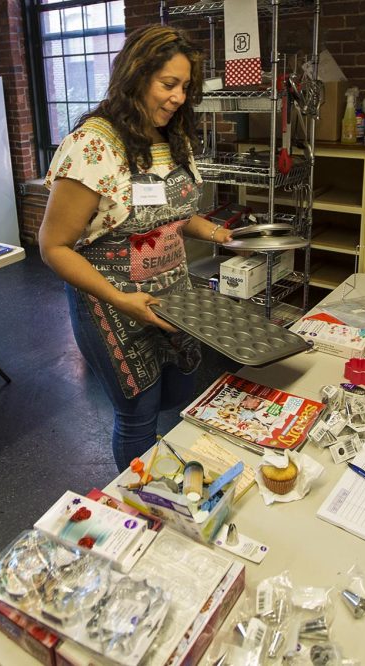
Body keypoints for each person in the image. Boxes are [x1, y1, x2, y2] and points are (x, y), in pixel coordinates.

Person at [39, 25, 233, 470]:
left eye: (186, 87)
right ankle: (139, 506)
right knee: (138, 413)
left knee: (179, 392)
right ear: (135, 76)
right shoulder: (93, 146)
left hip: (172, 297)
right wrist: (120, 300)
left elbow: (175, 215)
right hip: (112, 303)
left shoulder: (172, 139)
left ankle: (160, 472)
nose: (179, 97)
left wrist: (220, 234)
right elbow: (53, 246)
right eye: (169, 84)